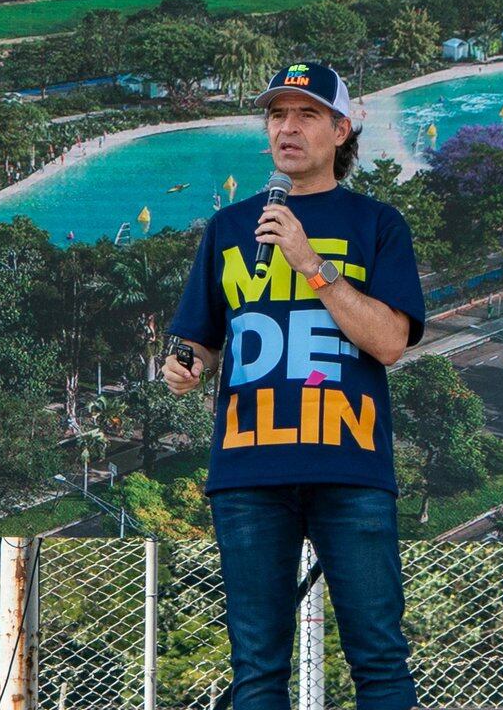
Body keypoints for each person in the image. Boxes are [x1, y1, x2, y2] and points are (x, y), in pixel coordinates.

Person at [163, 60, 425, 710]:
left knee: (381, 662)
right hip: (249, 473)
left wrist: (309, 262)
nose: (288, 127)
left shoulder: (377, 224)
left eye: (306, 114)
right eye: (278, 114)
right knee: (256, 671)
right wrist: (181, 366)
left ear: (341, 129)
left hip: (350, 465)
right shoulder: (230, 227)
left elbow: (390, 341)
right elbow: (196, 341)